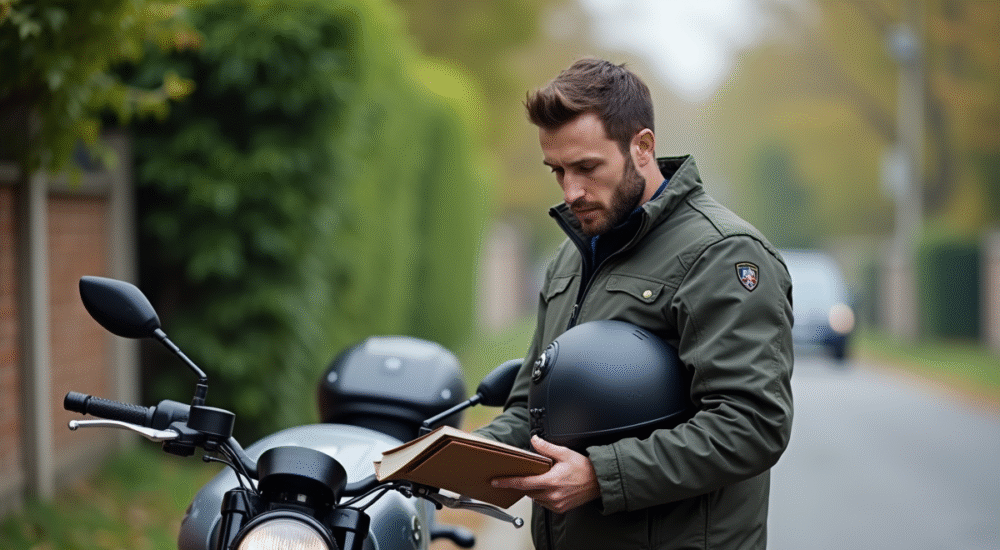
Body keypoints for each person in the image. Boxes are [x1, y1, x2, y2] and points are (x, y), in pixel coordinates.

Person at [473, 58, 794, 549]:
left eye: (586, 167)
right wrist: (463, 455)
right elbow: (531, 410)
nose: (571, 190)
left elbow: (751, 424)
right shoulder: (569, 258)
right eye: (557, 170)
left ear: (642, 146)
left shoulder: (722, 254)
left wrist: (601, 475)